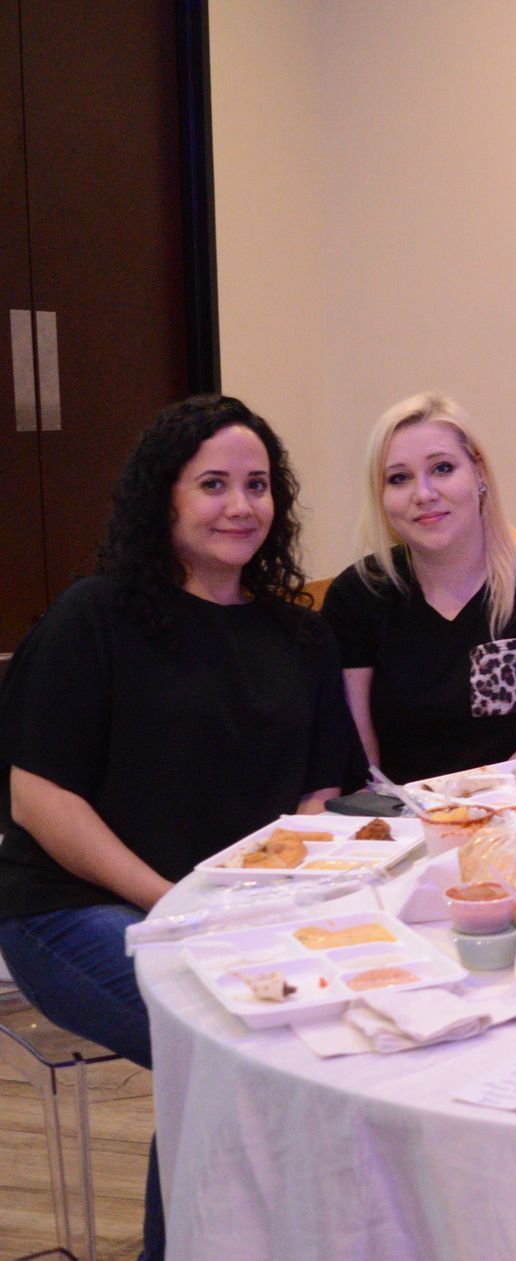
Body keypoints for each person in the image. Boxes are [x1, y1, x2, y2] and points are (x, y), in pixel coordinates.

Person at [0, 396, 357, 1261]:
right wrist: (172, 902)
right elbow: (38, 798)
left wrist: (283, 890)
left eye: (258, 485)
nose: (241, 505)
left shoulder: (296, 634)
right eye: (213, 484)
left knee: (291, 1039)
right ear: (165, 496)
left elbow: (322, 790)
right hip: (73, 911)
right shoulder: (97, 617)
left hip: (233, 921)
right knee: (228, 1039)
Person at [322, 393, 516, 783]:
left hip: (514, 812)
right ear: (381, 497)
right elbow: (366, 768)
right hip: (400, 822)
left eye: (443, 468)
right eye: (399, 478)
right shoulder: (358, 594)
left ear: (479, 473)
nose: (424, 493)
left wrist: (468, 813)